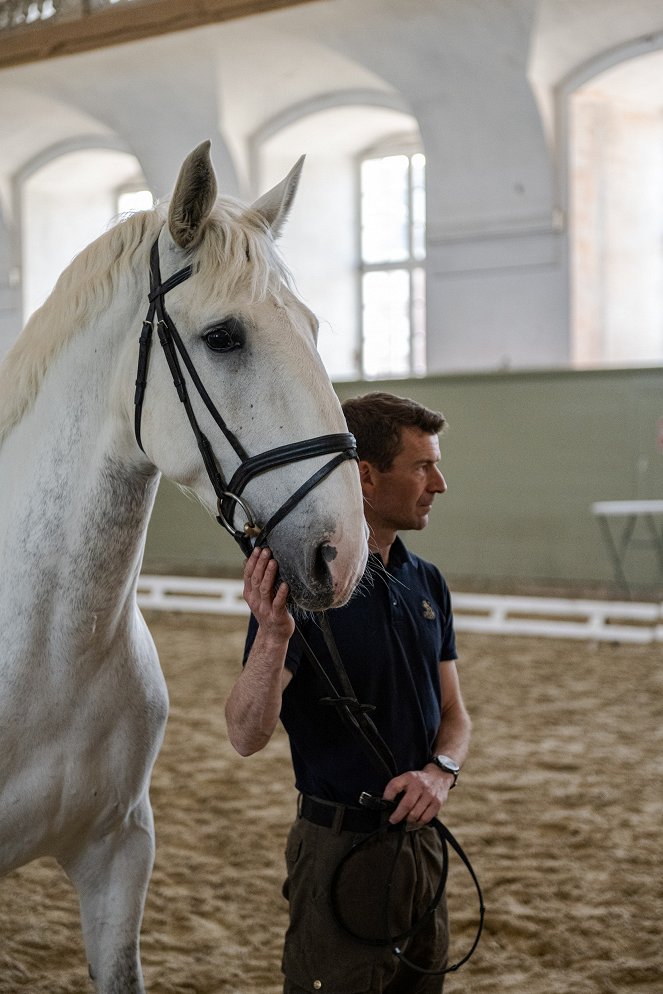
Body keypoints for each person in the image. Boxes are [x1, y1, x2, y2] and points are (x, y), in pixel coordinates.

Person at [225, 391, 472, 994]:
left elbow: (455, 715)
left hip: (422, 848)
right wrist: (274, 636)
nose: (438, 483)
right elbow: (245, 733)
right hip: (339, 850)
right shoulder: (305, 586)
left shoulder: (427, 581)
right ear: (365, 476)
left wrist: (439, 773)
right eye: (422, 466)